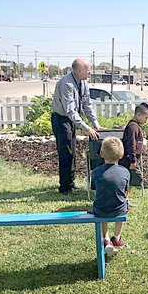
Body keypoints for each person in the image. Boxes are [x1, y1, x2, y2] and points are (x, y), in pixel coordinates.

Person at [51, 58, 101, 195]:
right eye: (87, 70)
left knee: (72, 151)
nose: (90, 72)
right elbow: (70, 110)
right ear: (79, 71)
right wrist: (86, 128)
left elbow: (87, 104)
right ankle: (65, 188)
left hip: (71, 119)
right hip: (61, 119)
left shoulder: (83, 82)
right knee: (66, 152)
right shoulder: (66, 84)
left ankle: (71, 183)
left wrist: (95, 124)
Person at [91, 137, 130, 257]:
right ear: (121, 154)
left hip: (100, 209)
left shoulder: (96, 172)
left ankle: (106, 238)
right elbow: (126, 191)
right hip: (119, 209)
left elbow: (95, 189)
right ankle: (117, 237)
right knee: (125, 202)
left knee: (101, 206)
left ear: (102, 153)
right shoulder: (125, 172)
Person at [119, 102, 148, 187]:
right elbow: (131, 144)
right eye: (146, 118)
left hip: (133, 159)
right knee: (129, 180)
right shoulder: (132, 127)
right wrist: (133, 160)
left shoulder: (136, 126)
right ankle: (125, 197)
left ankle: (126, 197)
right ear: (139, 115)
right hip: (128, 159)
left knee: (131, 181)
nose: (146, 120)